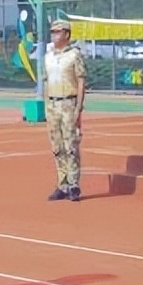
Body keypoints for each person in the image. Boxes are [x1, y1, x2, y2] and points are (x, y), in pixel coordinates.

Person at [43, 18, 87, 202]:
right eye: (52, 31)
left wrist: (78, 108)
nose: (54, 35)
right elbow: (45, 81)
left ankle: (74, 184)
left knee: (71, 145)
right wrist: (46, 105)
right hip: (52, 103)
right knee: (57, 146)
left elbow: (81, 80)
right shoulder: (48, 56)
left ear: (67, 34)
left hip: (68, 103)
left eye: (58, 31)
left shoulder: (74, 55)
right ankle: (62, 183)